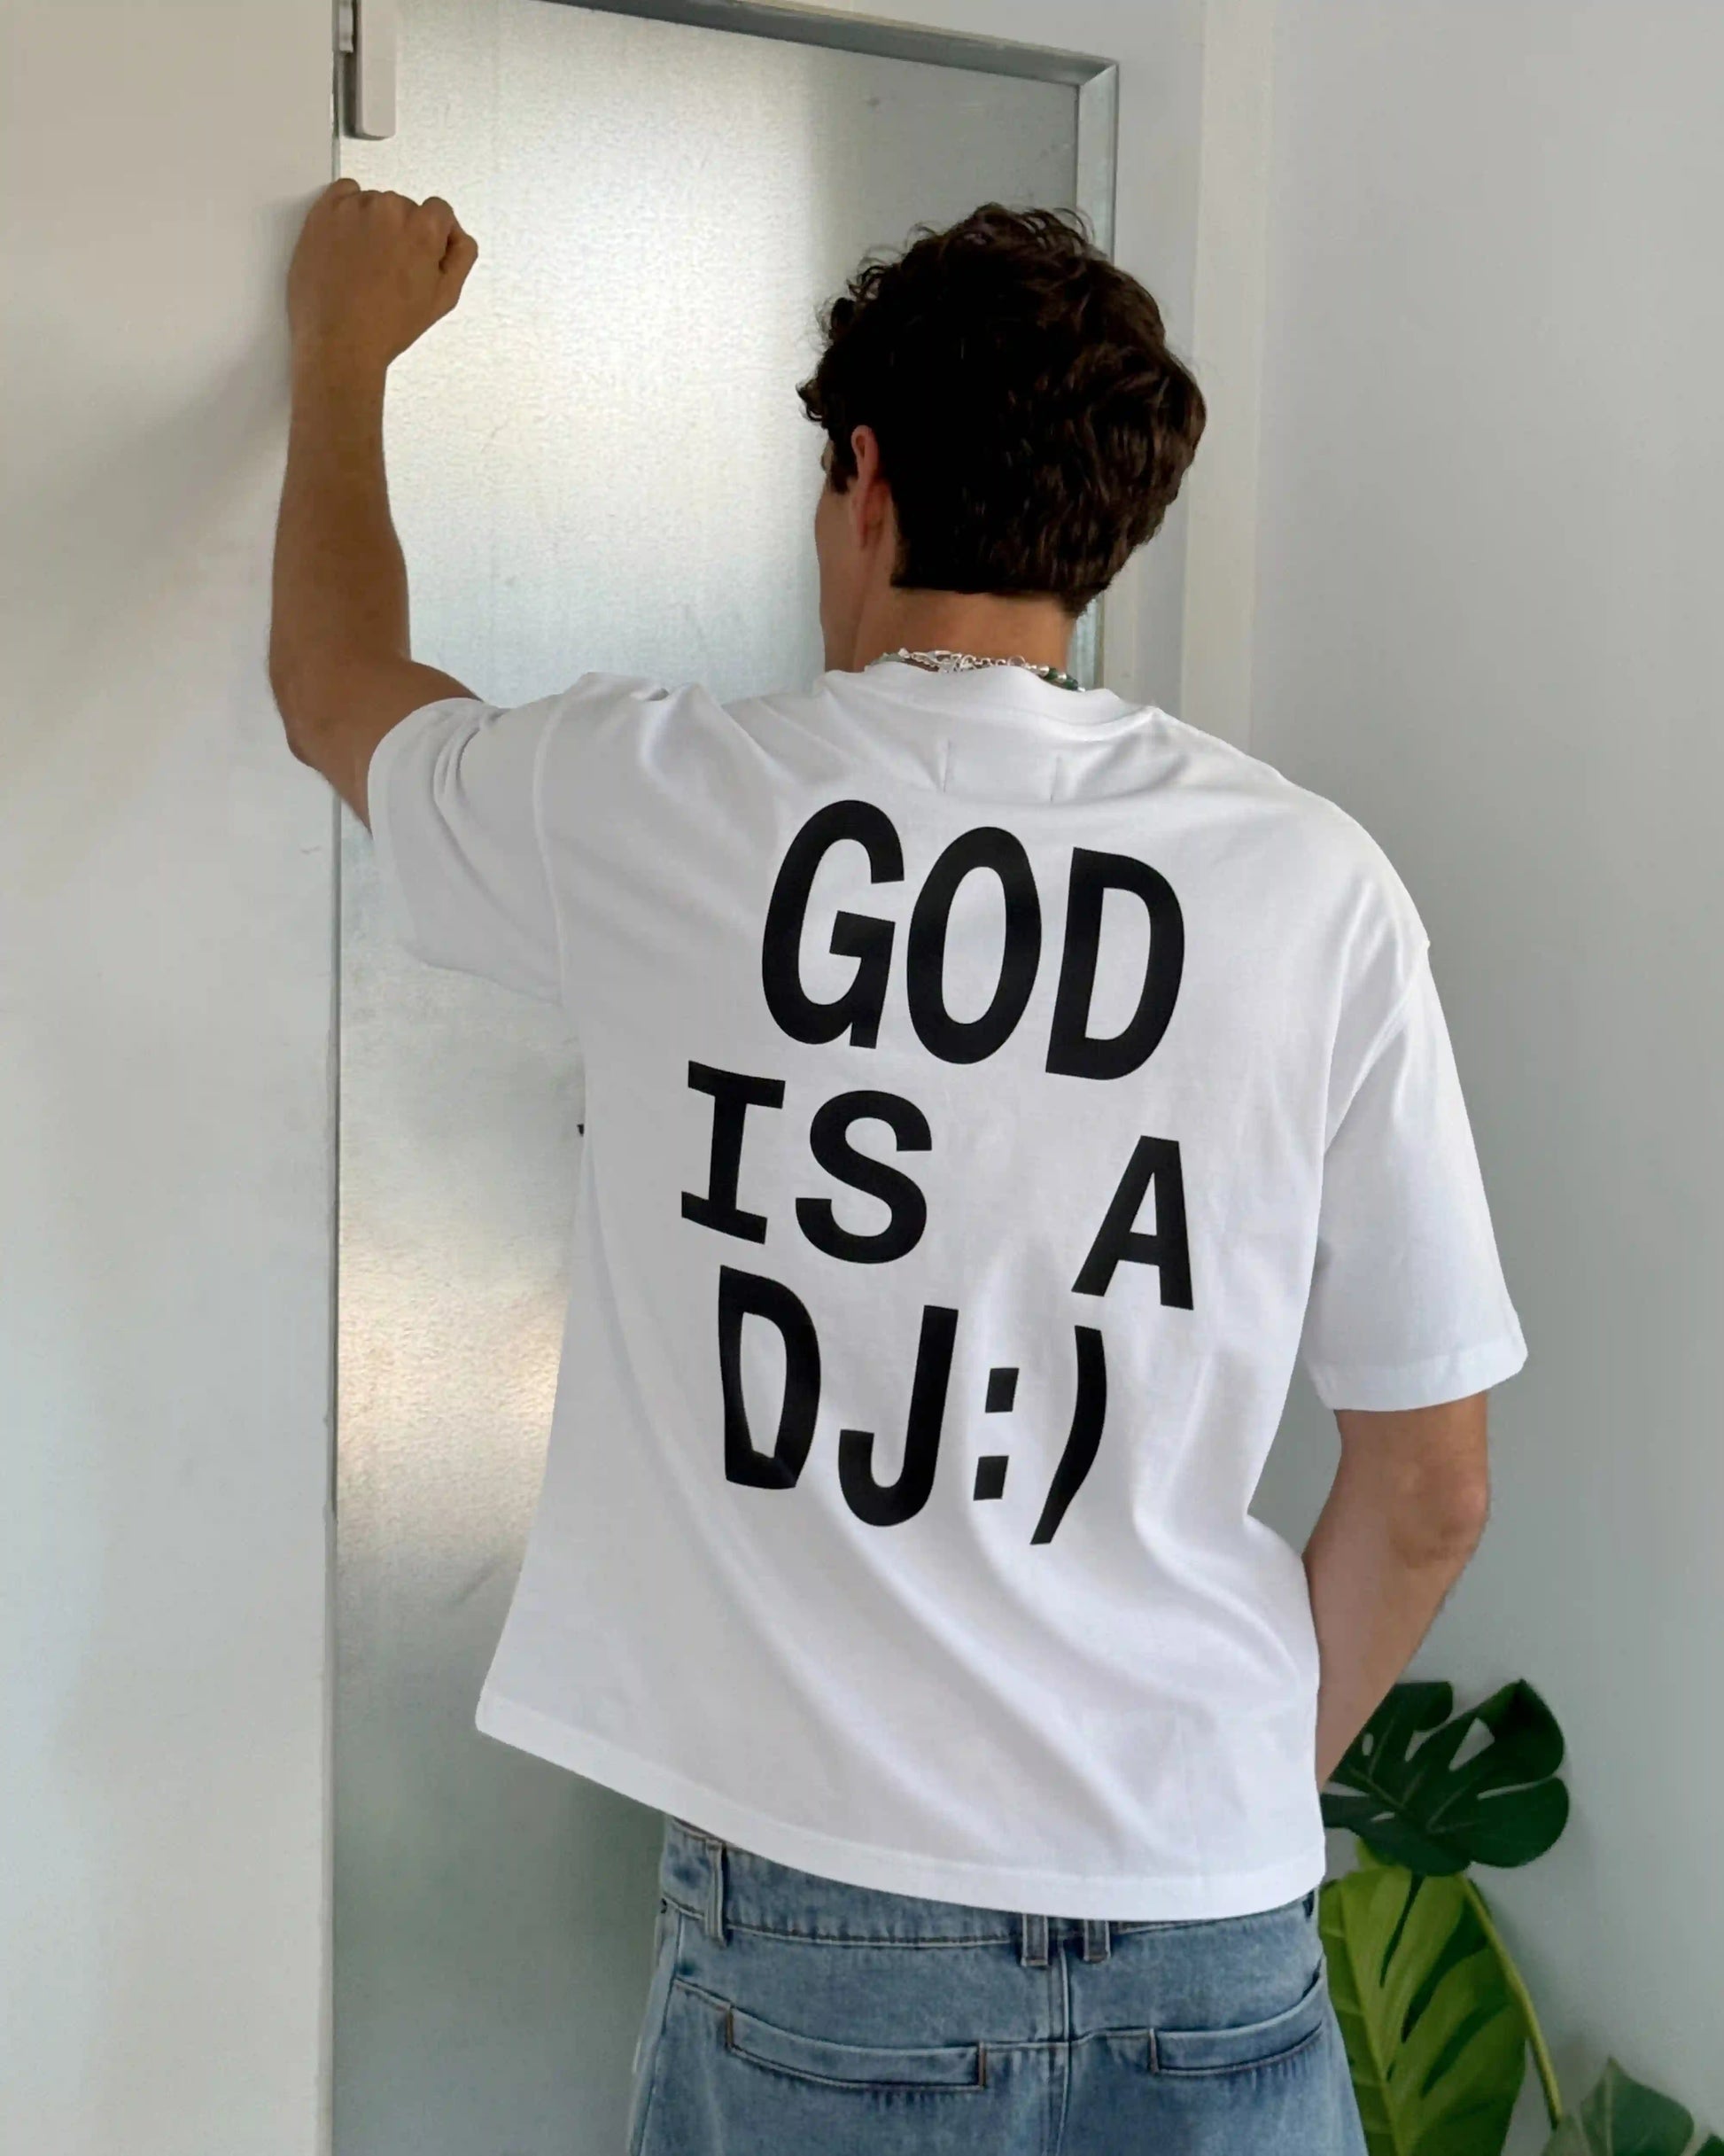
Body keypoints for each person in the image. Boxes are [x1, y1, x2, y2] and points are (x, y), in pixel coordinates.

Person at [272, 177, 1526, 2155]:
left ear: (862, 479)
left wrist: (338, 358)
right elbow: (1431, 1485)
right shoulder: (1315, 888)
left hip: (824, 1940)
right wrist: (1201, 1804)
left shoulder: (662, 803)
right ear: (1103, 529)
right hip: (1214, 1934)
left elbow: (336, 689)